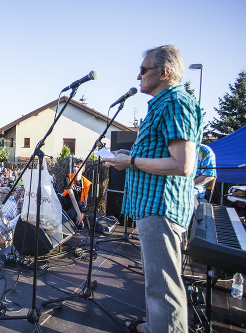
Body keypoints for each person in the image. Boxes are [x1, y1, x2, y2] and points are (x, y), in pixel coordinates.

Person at [105, 45, 202, 333]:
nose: (138, 76)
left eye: (144, 70)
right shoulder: (163, 105)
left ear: (164, 72)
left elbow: (182, 164)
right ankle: (156, 326)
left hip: (162, 207)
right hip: (153, 207)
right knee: (157, 281)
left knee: (164, 286)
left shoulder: (175, 103)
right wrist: (128, 162)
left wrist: (130, 160)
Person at [61, 159, 91, 230]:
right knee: (58, 198)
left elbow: (85, 201)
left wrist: (81, 216)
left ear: (83, 169)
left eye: (78, 167)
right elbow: (72, 197)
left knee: (70, 214)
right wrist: (78, 214)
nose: (75, 169)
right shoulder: (68, 177)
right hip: (68, 201)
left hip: (76, 205)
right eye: (74, 166)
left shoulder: (86, 183)